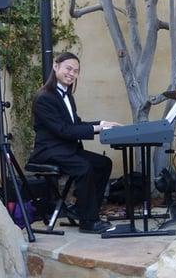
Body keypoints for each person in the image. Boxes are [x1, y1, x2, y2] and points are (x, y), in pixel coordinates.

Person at [28, 52, 121, 234]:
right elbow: (63, 130)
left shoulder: (67, 96)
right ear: (56, 67)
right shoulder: (44, 98)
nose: (72, 74)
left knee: (103, 164)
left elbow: (75, 125)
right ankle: (89, 221)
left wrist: (101, 124)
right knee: (84, 167)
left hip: (66, 149)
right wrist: (97, 129)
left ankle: (82, 209)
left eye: (76, 71)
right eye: (68, 68)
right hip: (49, 151)